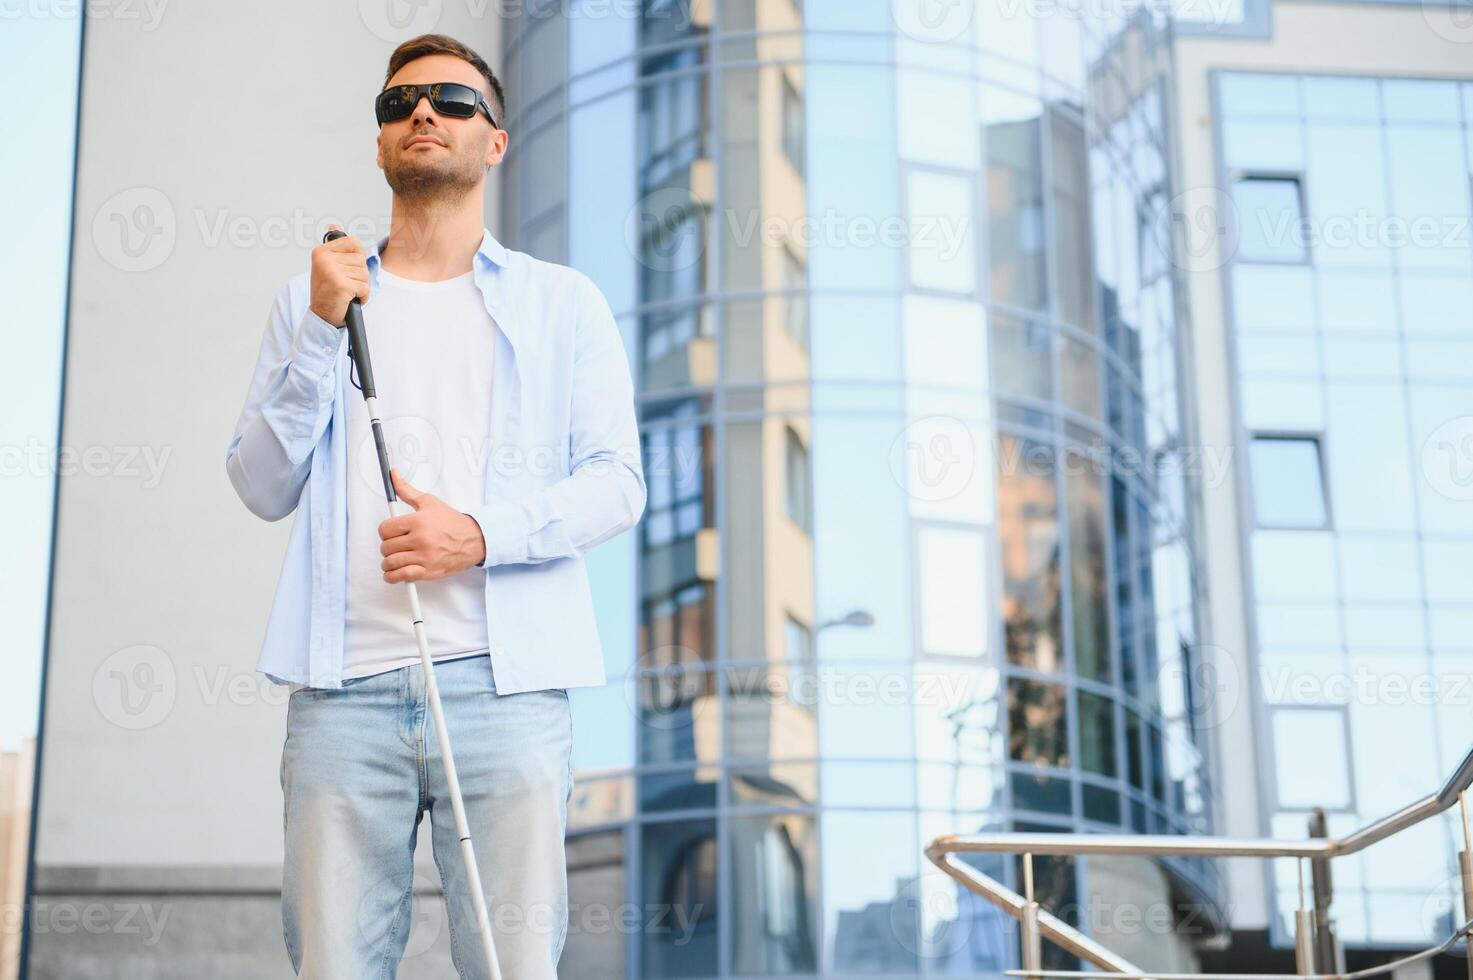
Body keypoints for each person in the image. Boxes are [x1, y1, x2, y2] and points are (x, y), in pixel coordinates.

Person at [224, 33, 645, 979]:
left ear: (493, 141)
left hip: (508, 689)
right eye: (400, 103)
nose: (424, 113)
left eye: (455, 102)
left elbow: (618, 481)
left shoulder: (561, 303)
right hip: (340, 697)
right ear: (379, 143)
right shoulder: (312, 301)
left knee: (509, 966)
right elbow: (259, 485)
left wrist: (480, 536)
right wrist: (324, 334)